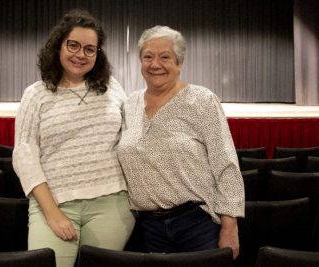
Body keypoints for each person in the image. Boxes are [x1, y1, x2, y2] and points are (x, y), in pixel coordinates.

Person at [12, 9, 135, 267]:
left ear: (97, 54)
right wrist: (52, 213)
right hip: (54, 203)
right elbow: (25, 156)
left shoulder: (112, 87)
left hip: (112, 203)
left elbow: (132, 134)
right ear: (59, 46)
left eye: (90, 49)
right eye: (74, 45)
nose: (81, 54)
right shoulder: (36, 94)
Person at [117, 25, 245, 258]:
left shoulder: (202, 100)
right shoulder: (130, 105)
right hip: (148, 228)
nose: (155, 64)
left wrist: (230, 226)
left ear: (180, 63)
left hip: (197, 224)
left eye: (165, 57)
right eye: (148, 57)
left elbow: (225, 164)